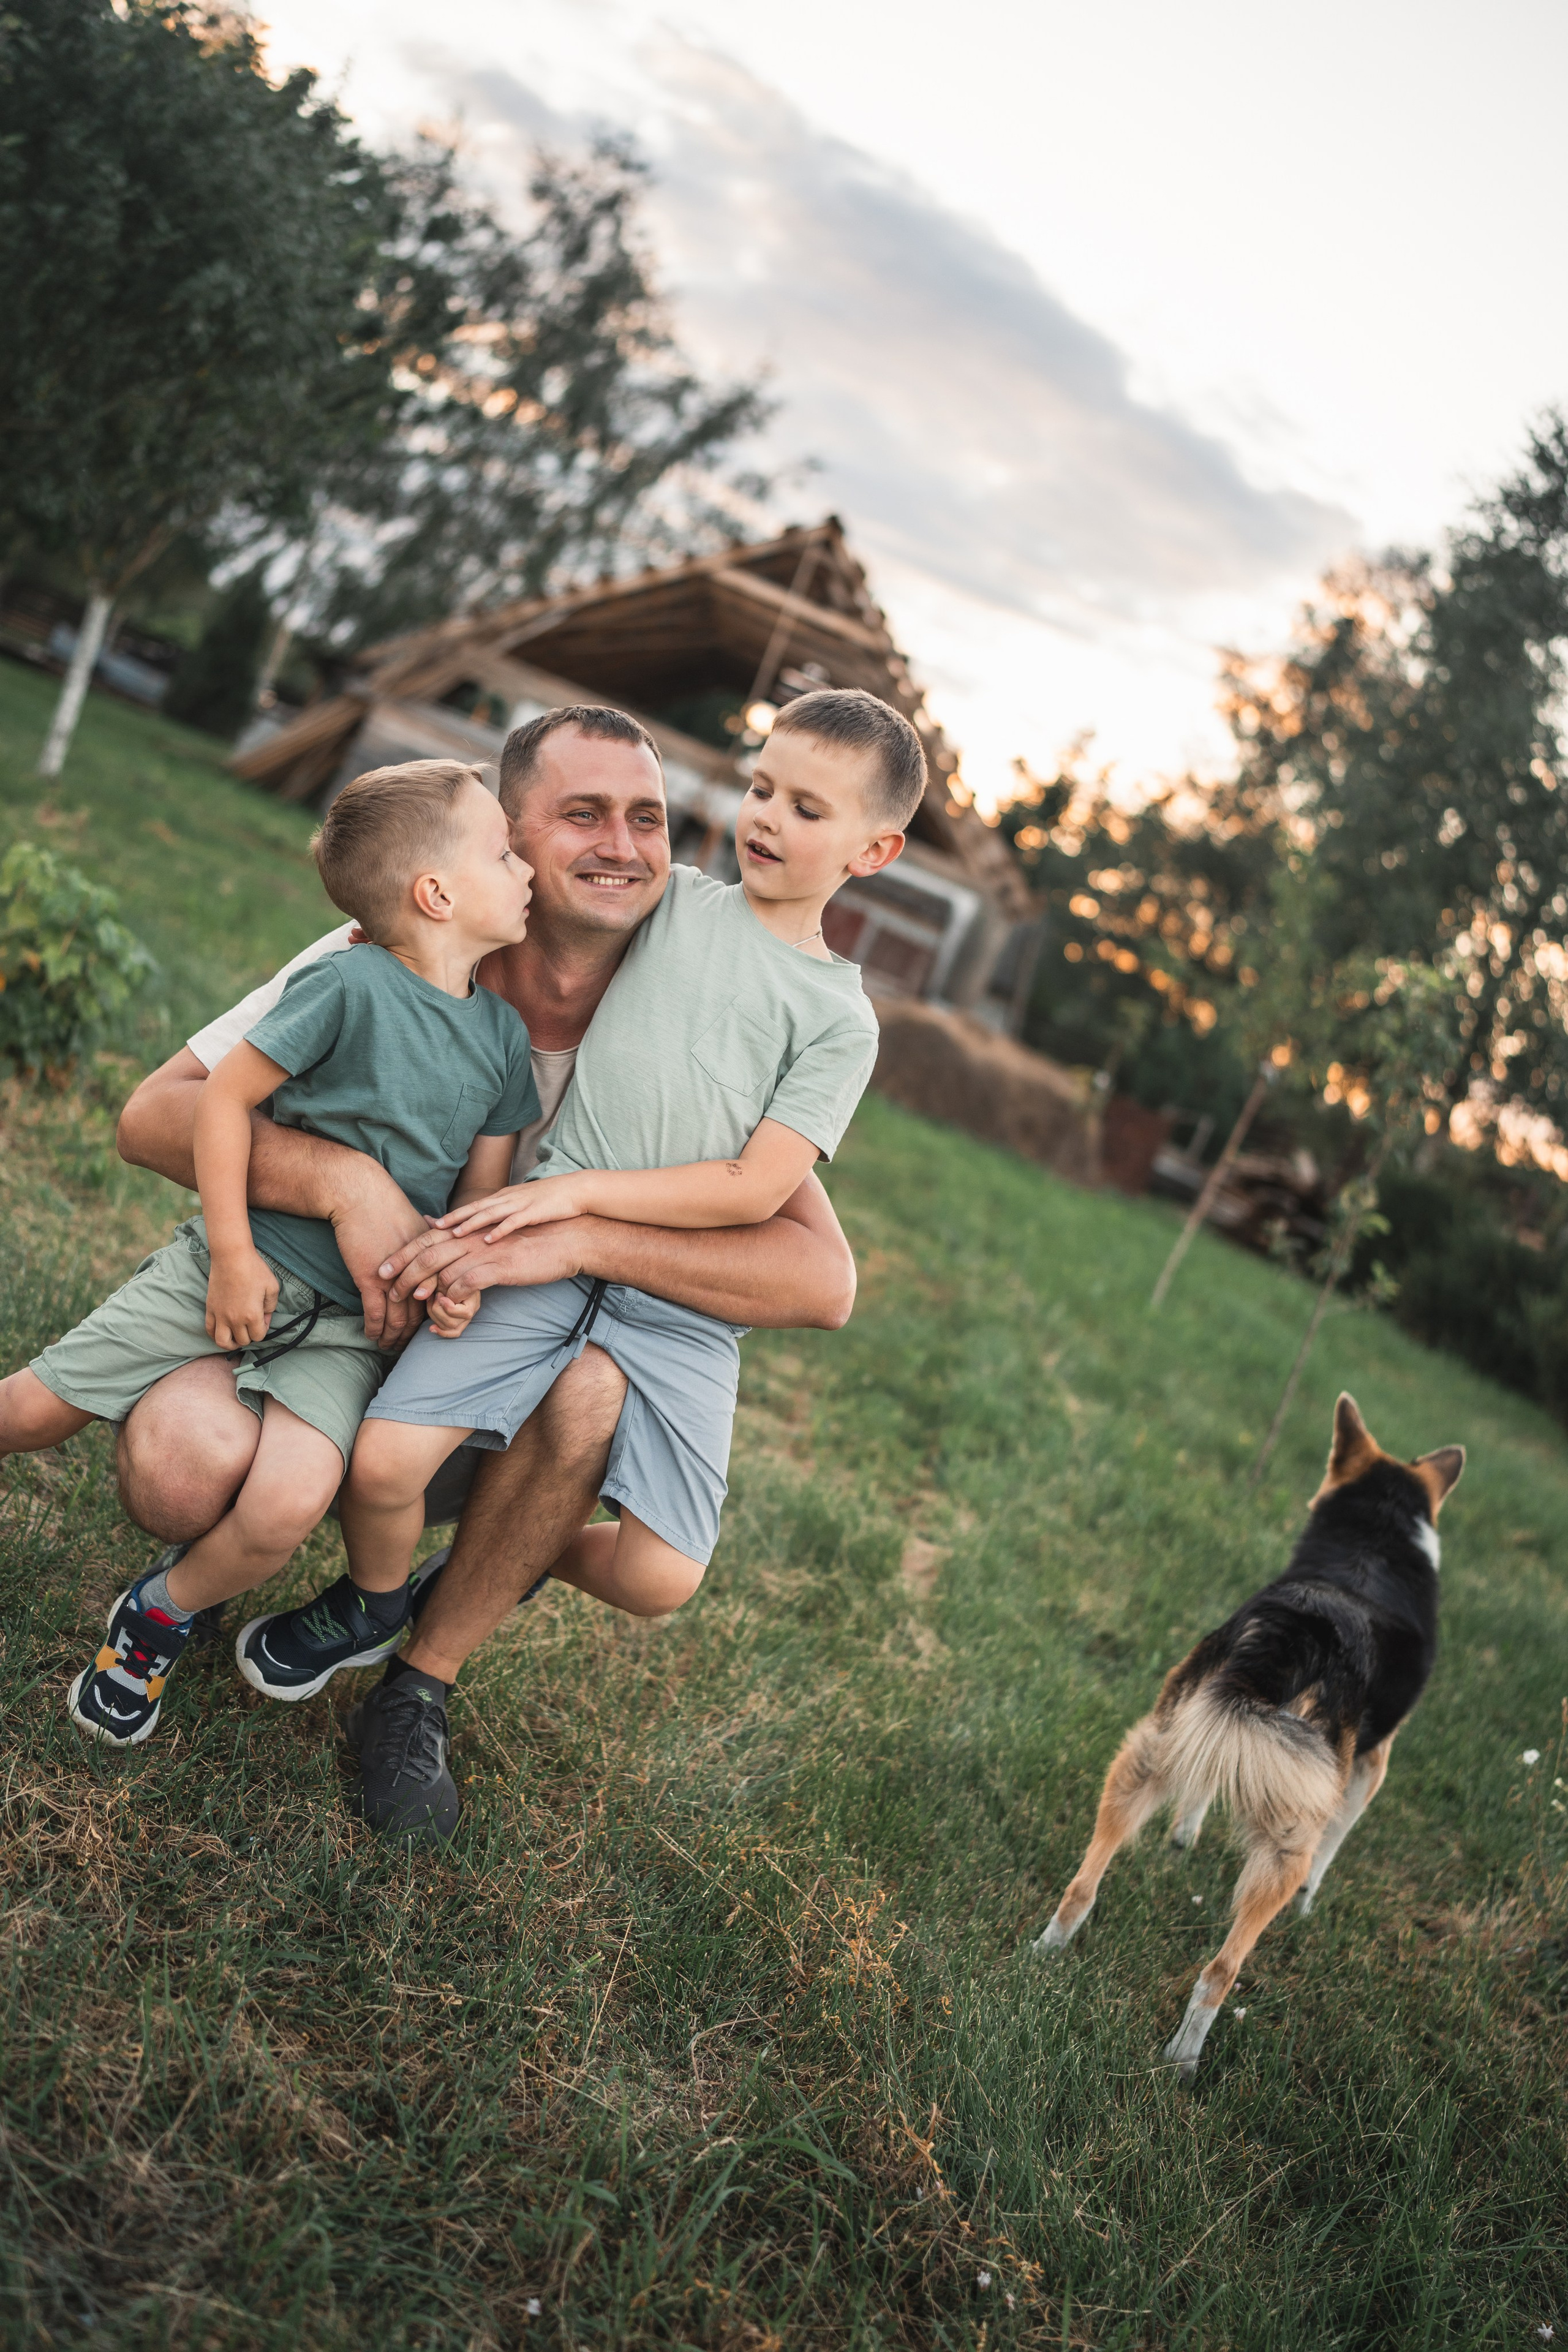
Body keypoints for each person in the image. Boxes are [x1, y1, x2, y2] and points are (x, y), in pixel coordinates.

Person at [110, 706, 859, 1806]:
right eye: (582, 816)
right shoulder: (396, 949)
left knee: (597, 1387)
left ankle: (417, 1683)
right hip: (315, 1322)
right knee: (178, 1466)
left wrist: (582, 1233)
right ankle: (229, 1561)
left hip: (483, 1378)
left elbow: (821, 1277)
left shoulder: (691, 1006)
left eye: (647, 818)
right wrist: (343, 1181)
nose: (622, 845)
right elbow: (153, 1116)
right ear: (498, 838)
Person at [2, 758, 538, 1745]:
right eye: (507, 852)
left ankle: (155, 1619)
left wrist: (453, 1283)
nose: (528, 870)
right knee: (33, 1408)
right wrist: (238, 1253)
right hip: (234, 1266)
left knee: (286, 1502)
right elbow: (220, 1100)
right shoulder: (345, 980)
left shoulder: (504, 1044)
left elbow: (478, 1202)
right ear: (438, 893)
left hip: (349, 1323)